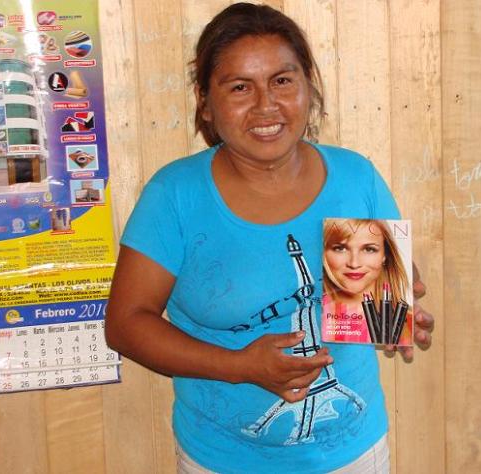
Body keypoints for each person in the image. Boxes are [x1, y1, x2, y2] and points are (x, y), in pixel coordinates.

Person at [105, 3, 434, 473]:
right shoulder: (174, 195)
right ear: (205, 101)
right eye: (240, 87)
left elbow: (381, 282)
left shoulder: (355, 176)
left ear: (308, 86)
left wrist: (397, 304)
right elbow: (125, 324)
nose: (266, 105)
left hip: (355, 452)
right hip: (222, 460)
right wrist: (239, 365)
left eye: (282, 80)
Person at [322, 219, 413, 345]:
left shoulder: (409, 322)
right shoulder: (310, 314)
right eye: (340, 248)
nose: (354, 264)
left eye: (369, 249)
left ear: (385, 255)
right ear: (323, 253)